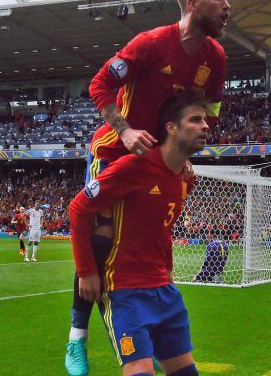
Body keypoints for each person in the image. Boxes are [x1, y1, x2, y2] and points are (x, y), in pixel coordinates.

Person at [66, 0, 229, 375]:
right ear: (192, 4)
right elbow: (100, 83)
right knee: (98, 238)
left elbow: (212, 107)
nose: (228, 6)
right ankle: (77, 339)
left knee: (150, 232)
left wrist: (185, 147)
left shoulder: (217, 58)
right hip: (113, 150)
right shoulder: (151, 43)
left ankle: (149, 345)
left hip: (159, 159)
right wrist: (123, 129)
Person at [70, 90, 207, 376]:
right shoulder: (133, 166)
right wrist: (86, 271)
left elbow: (163, 229)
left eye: (205, 120)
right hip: (125, 291)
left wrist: (167, 271)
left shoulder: (186, 177)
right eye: (195, 120)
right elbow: (78, 209)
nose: (205, 126)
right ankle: (76, 338)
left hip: (165, 291)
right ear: (171, 128)